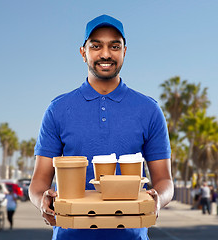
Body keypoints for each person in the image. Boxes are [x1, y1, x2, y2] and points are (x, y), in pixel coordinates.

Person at [29, 14, 173, 240]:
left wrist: (158, 199)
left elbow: (165, 180)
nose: (105, 54)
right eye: (96, 46)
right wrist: (41, 201)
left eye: (114, 46)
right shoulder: (58, 109)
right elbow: (38, 181)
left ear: (124, 51)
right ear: (82, 52)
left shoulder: (149, 109)